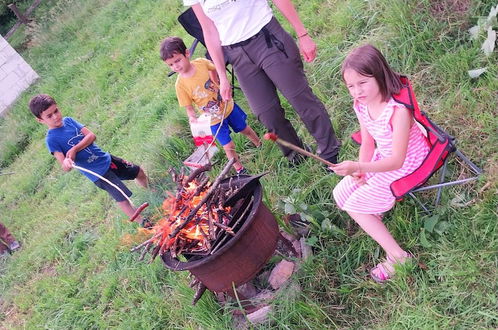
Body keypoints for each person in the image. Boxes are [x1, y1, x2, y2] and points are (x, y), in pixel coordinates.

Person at [184, 0, 340, 166]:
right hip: (236, 55)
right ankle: (296, 155)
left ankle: (329, 150)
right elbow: (209, 31)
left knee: (299, 98)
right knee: (266, 113)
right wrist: (222, 75)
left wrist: (302, 34)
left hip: (267, 38)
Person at [330, 44, 430, 282]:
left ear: (379, 74)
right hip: (382, 158)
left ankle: (398, 256)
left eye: (362, 83)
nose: (356, 91)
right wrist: (360, 171)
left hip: (408, 161)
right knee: (341, 193)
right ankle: (375, 213)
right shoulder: (361, 105)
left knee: (355, 205)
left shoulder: (397, 111)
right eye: (351, 86)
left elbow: (397, 160)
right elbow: (367, 143)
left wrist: (360, 166)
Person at [29, 94, 152, 227]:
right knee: (122, 198)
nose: (55, 116)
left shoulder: (69, 121)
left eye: (56, 111)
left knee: (138, 171)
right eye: (49, 116)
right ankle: (143, 223)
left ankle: (154, 193)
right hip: (99, 174)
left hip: (106, 159)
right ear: (40, 120)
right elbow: (65, 165)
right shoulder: (51, 140)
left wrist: (75, 149)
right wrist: (67, 162)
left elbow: (91, 136)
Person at [160, 36, 261, 174]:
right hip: (213, 120)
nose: (176, 66)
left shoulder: (201, 63)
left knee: (244, 128)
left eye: (178, 60)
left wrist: (216, 80)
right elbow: (188, 107)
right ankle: (240, 169)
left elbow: (214, 68)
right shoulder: (180, 85)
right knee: (228, 146)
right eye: (171, 64)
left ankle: (259, 144)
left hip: (227, 106)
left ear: (187, 53)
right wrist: (192, 118)